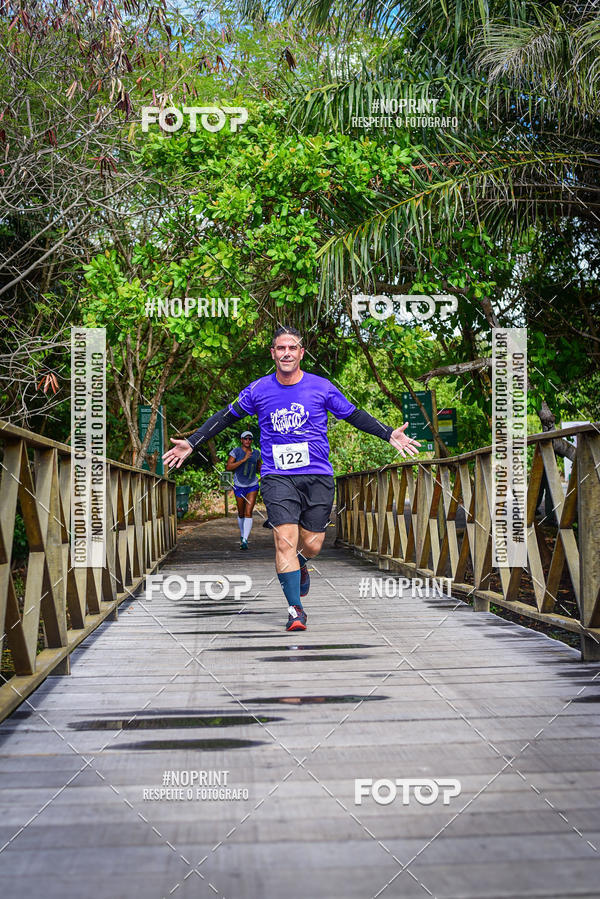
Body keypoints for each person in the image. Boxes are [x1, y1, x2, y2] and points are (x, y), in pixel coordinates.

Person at [162, 326, 421, 631]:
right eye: (280, 348)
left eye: (292, 348)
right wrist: (192, 442)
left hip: (317, 475)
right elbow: (225, 416)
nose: (286, 353)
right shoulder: (258, 390)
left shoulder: (321, 387)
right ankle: (295, 610)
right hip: (277, 477)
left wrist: (387, 433)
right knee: (285, 540)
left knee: (311, 544)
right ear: (273, 353)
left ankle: (301, 565)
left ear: (301, 353)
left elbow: (353, 414)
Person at [226, 430, 261, 551]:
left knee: (248, 512)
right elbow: (228, 467)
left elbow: (260, 467)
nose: (247, 441)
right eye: (245, 439)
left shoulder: (256, 453)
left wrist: (264, 475)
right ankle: (242, 536)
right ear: (241, 440)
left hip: (252, 485)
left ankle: (245, 540)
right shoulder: (236, 451)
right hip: (239, 485)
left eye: (250, 439)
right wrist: (243, 460)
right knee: (241, 513)